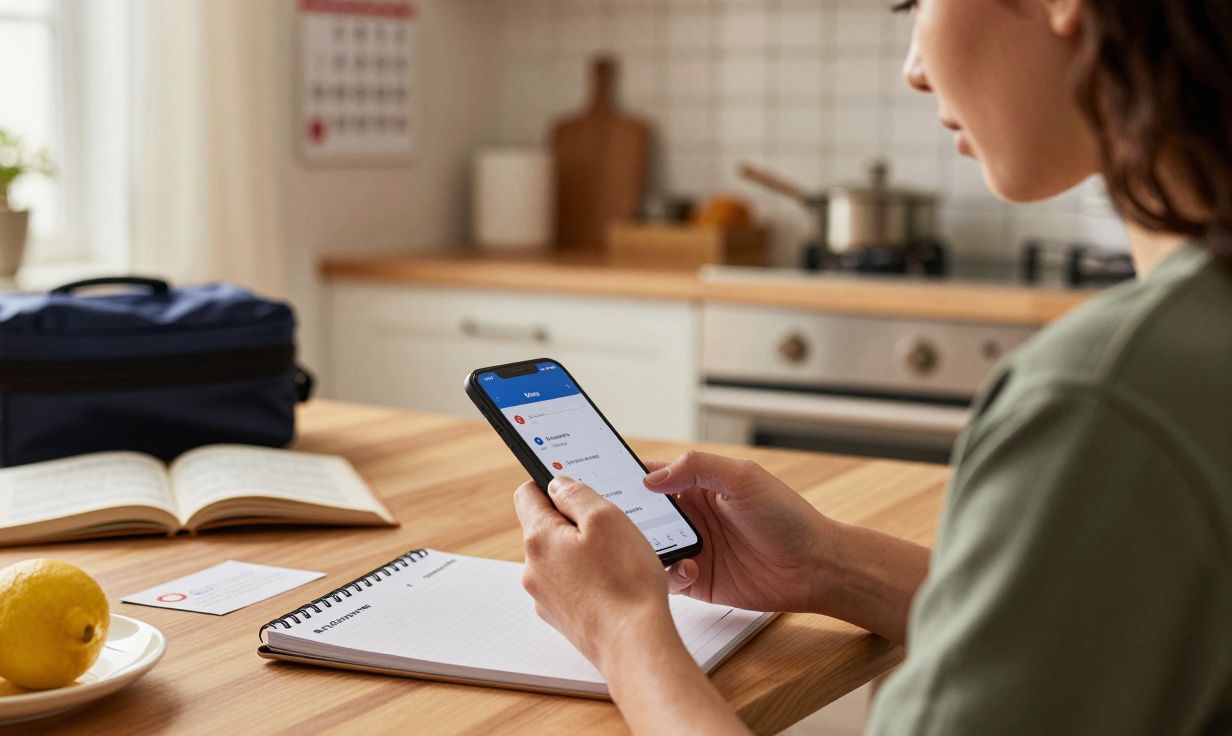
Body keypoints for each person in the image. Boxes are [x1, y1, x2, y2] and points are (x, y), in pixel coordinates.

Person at [512, 0, 1232, 733]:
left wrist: (622, 629)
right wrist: (829, 566)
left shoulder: (1101, 398)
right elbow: (1096, 631)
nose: (913, 70)